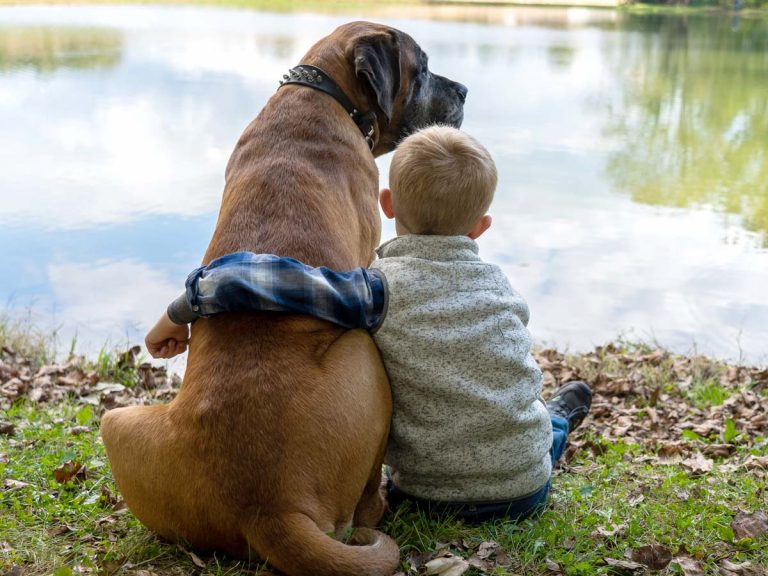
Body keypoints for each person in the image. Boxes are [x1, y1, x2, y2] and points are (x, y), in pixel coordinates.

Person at [146, 125, 592, 523]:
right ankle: (557, 422)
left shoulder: (376, 290)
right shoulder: (503, 288)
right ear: (481, 227)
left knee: (520, 419)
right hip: (526, 491)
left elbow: (249, 280)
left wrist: (179, 311)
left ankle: (554, 420)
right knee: (539, 421)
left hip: (423, 497)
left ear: (387, 205)